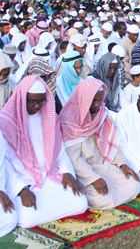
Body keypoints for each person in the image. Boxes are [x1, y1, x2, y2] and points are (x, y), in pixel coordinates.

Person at [0, 76, 87, 228]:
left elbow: (59, 150)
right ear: (21, 98)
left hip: (49, 176)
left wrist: (67, 173)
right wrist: (20, 189)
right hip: (25, 180)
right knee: (27, 218)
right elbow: (4, 162)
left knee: (80, 202)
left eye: (41, 101)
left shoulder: (51, 118)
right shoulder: (6, 121)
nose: (37, 106)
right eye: (32, 101)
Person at [59, 79, 140, 209]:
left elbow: (112, 143)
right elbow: (74, 160)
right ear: (84, 99)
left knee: (134, 184)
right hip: (84, 172)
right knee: (102, 199)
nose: (97, 105)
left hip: (103, 165)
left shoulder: (101, 114)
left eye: (100, 100)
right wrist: (93, 178)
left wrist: (122, 164)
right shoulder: (68, 121)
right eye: (93, 101)